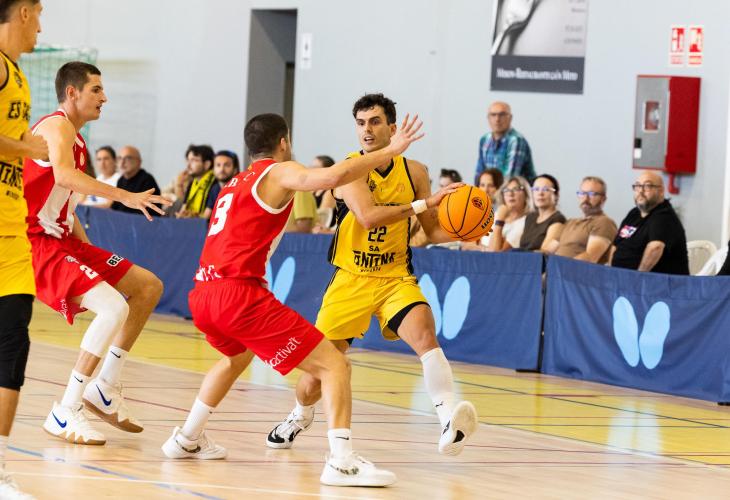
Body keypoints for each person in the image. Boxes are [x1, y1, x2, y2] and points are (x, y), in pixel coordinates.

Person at [161, 111, 425, 488]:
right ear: (284, 142)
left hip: (202, 293)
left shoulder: (234, 182)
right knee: (335, 366)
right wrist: (390, 152)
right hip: (239, 294)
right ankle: (342, 462)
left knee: (236, 358)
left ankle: (187, 437)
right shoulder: (278, 172)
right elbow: (332, 177)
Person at [266, 93, 478, 459]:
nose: (367, 129)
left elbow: (431, 229)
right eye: (361, 123)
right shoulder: (349, 168)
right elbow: (368, 217)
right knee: (314, 380)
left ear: (392, 128)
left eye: (375, 122)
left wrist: (468, 229)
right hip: (350, 279)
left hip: (395, 276)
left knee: (426, 336)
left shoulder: (416, 172)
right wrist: (425, 203)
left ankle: (448, 422)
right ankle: (300, 414)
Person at [24, 62, 169, 446]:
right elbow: (64, 177)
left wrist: (87, 251)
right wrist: (125, 195)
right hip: (38, 242)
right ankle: (66, 410)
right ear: (72, 93)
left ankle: (104, 386)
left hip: (64, 240)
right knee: (113, 308)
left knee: (147, 287)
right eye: (96, 90)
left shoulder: (77, 140)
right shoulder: (55, 127)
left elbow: (65, 205)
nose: (104, 97)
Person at [0, 1, 46, 497]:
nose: (42, 25)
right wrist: (27, 148)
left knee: (13, 345)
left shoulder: (18, 75)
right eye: (39, 13)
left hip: (12, 232)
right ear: (25, 13)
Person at [609, 171, 689, 274]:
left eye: (647, 186)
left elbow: (655, 248)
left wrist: (638, 277)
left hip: (656, 281)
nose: (641, 191)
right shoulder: (634, 213)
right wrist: (610, 272)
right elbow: (615, 245)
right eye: (638, 186)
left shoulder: (664, 216)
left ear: (661, 191)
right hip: (621, 277)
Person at [544, 176, 617, 264]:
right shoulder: (570, 222)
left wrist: (557, 267)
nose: (585, 199)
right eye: (582, 193)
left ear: (603, 199)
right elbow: (548, 251)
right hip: (554, 269)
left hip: (570, 271)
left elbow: (590, 258)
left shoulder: (604, 222)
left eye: (592, 194)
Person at [475, 101, 535, 184]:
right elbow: (479, 174)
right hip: (492, 189)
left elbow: (510, 178)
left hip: (516, 190)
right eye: (493, 115)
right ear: (488, 118)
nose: (497, 119)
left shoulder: (516, 140)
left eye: (502, 115)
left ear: (510, 118)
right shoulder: (485, 140)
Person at [519, 174, 566, 252]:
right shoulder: (530, 217)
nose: (540, 193)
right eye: (536, 189)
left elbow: (545, 252)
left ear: (556, 195)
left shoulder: (558, 219)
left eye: (546, 189)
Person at [111, 145, 162, 215]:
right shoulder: (121, 180)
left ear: (139, 162)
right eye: (120, 158)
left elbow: (146, 212)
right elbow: (115, 207)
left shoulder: (147, 180)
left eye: (128, 158)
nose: (122, 162)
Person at [488, 176, 531, 251]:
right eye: (506, 190)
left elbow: (495, 252)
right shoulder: (496, 214)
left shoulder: (527, 221)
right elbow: (470, 243)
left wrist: (499, 222)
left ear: (526, 194)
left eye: (516, 189)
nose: (510, 194)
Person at [176, 144, 216, 218]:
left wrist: (191, 217)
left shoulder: (215, 183)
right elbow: (183, 209)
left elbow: (208, 218)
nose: (188, 165)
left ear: (207, 164)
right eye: (188, 160)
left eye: (194, 160)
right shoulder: (192, 183)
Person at [201, 150, 239, 219]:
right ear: (213, 169)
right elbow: (206, 216)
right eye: (218, 165)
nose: (221, 169)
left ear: (235, 170)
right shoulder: (215, 189)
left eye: (227, 165)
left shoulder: (240, 188)